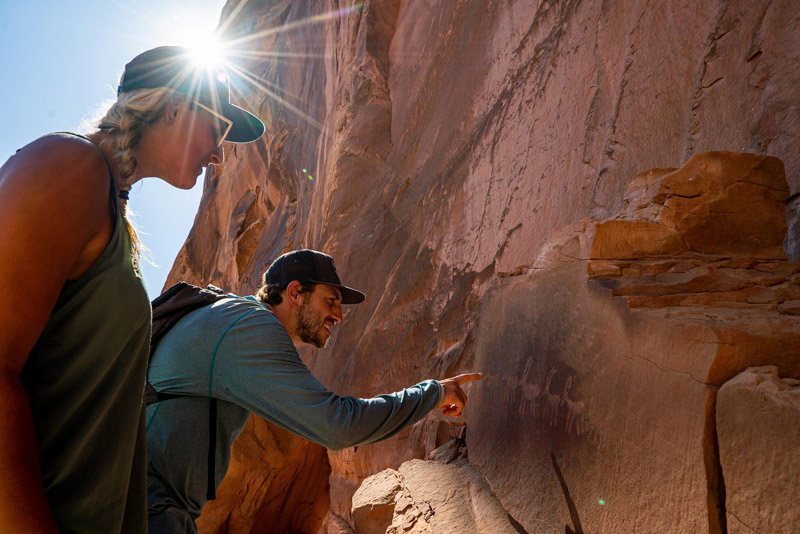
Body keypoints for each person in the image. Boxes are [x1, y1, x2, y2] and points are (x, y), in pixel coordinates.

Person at [0, 46, 264, 533]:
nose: (219, 153)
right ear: (175, 107)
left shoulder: (109, 209)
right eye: (219, 128)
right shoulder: (70, 166)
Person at [146, 249, 483, 533]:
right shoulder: (250, 327)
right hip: (143, 508)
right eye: (330, 301)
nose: (338, 315)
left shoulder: (230, 318)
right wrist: (433, 392)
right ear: (295, 293)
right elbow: (337, 426)